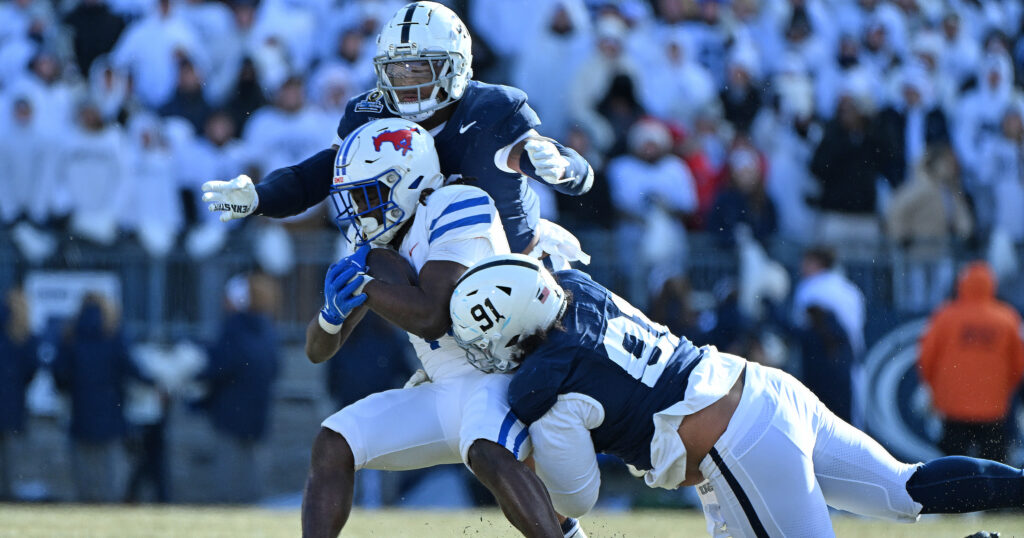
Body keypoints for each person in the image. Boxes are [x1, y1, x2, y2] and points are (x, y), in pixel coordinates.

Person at [448, 254, 1024, 537]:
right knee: (904, 487)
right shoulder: (576, 288)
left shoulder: (544, 382)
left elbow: (577, 499)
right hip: (761, 388)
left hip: (734, 444)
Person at [300, 118, 581, 538]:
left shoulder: (457, 202)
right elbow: (318, 351)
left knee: (486, 449)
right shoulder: (378, 251)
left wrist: (368, 285)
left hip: (497, 375)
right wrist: (331, 314)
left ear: (409, 181)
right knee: (333, 441)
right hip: (444, 389)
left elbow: (435, 315)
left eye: (369, 195)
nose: (360, 211)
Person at [200, 1, 593, 263]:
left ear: (456, 65)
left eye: (420, 68)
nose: (406, 81)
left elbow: (578, 176)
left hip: (518, 270)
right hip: (433, 280)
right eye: (397, 70)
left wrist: (562, 167)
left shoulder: (490, 111)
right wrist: (261, 196)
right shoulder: (371, 113)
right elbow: (321, 174)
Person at [918, 261, 1024, 463]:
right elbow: (1018, 365)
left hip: (953, 409)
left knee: (953, 471)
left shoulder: (944, 316)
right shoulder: (1008, 318)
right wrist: (1003, 391)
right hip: (993, 410)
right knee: (992, 470)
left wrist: (937, 390)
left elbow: (926, 358)